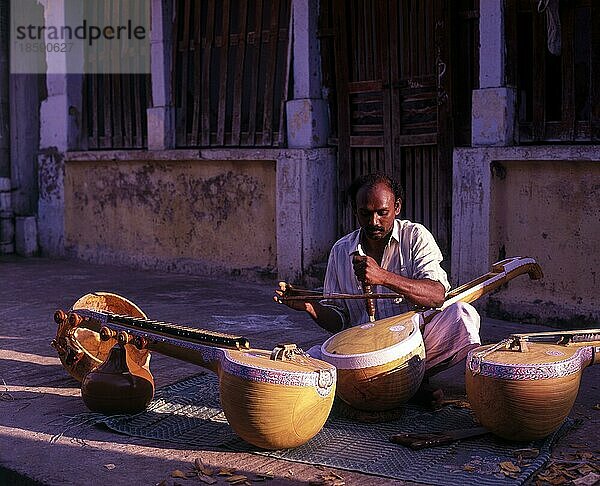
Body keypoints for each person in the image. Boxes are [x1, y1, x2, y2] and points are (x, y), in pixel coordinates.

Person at [274, 172, 481, 405]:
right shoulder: (341, 250)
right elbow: (338, 323)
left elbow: (436, 295)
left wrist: (383, 277)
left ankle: (407, 380)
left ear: (397, 207)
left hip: (412, 347)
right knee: (305, 362)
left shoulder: (415, 237)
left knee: (462, 315)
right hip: (363, 356)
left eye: (382, 213)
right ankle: (403, 386)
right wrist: (310, 307)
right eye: (365, 213)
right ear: (355, 211)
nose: (374, 222)